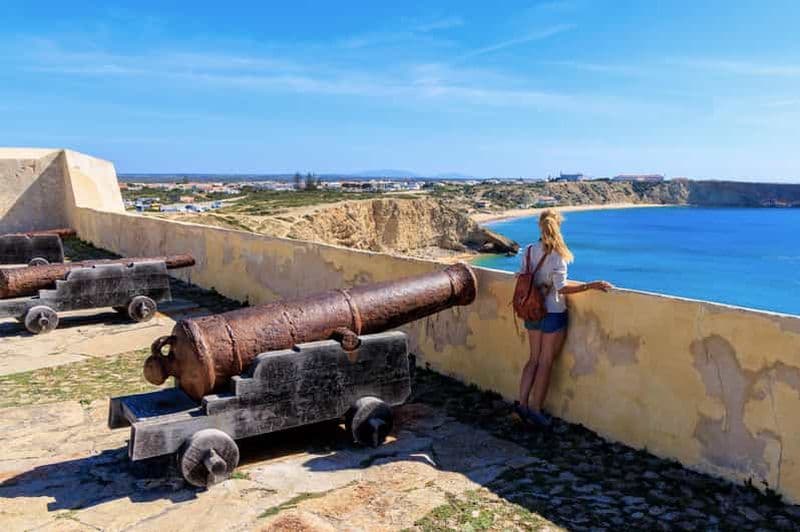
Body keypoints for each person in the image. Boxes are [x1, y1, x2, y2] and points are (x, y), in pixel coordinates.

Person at [515, 209, 612, 427]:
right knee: (545, 362)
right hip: (552, 311)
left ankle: (521, 404)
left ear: (539, 225)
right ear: (558, 225)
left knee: (533, 359)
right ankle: (536, 410)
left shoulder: (529, 251)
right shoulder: (558, 256)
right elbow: (562, 288)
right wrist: (591, 285)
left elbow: (521, 277)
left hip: (530, 310)